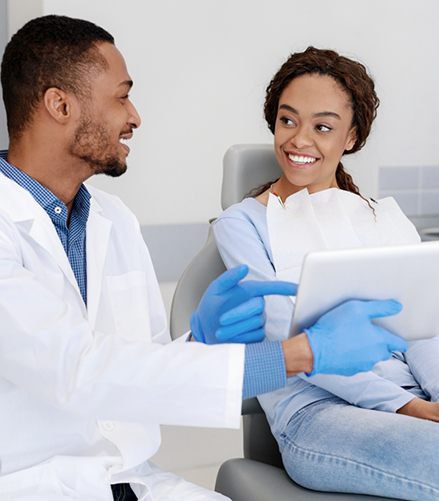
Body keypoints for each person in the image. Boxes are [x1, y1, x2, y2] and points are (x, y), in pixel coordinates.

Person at [0, 17, 409, 501]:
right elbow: (80, 371)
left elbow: (143, 373)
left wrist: (200, 341)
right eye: (121, 96)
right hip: (31, 486)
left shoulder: (113, 219)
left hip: (135, 480)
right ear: (60, 104)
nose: (134, 116)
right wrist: (303, 353)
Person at [214, 47, 439, 500]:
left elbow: (424, 328)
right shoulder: (242, 225)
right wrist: (406, 406)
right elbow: (286, 335)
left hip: (413, 393)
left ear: (351, 137)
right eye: (287, 120)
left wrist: (430, 396)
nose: (299, 140)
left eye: (322, 126)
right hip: (316, 412)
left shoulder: (380, 219)